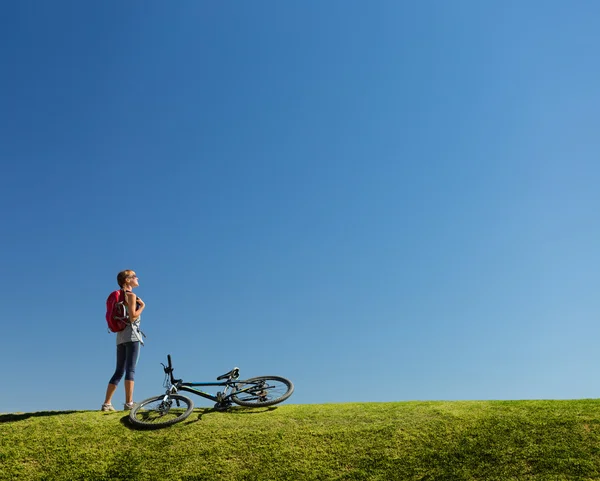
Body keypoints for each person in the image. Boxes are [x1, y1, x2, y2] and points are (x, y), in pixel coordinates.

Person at [101, 270, 146, 411]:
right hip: (132, 336)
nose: (137, 278)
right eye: (134, 276)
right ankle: (129, 403)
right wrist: (143, 306)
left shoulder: (119, 296)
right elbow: (132, 317)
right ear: (127, 280)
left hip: (120, 337)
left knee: (119, 370)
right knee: (130, 370)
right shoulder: (131, 296)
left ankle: (107, 403)